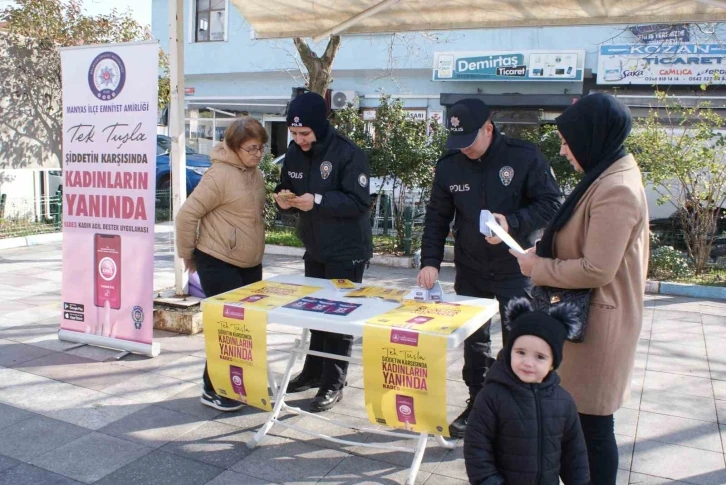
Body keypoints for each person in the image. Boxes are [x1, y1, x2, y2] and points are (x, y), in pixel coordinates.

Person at [511, 92, 648, 485]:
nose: (563, 149)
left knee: (593, 428)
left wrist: (540, 267)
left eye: (568, 141)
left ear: (592, 137)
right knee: (578, 426)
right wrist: (548, 248)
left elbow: (597, 269)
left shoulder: (616, 188)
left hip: (601, 327)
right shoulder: (605, 174)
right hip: (586, 320)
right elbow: (587, 239)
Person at [418, 98, 561, 438]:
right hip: (471, 268)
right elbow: (437, 217)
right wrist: (430, 261)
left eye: (469, 139)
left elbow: (551, 203)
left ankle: (517, 411)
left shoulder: (523, 156)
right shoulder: (450, 165)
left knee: (519, 343)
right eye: (457, 141)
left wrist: (510, 222)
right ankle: (478, 404)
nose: (463, 148)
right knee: (474, 344)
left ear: (488, 128)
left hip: (516, 268)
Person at [273, 91, 372, 412]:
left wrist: (317, 200)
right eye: (294, 133)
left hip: (347, 251)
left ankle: (334, 381)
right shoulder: (294, 153)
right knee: (314, 313)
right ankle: (313, 371)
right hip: (314, 247)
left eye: (305, 133)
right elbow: (285, 185)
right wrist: (282, 198)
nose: (299, 139)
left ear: (321, 126)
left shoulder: (347, 153)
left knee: (338, 319)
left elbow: (358, 203)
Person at [175, 117, 268, 412]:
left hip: (249, 262)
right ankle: (213, 388)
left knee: (247, 328)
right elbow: (186, 216)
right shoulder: (218, 176)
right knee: (226, 329)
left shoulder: (255, 174)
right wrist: (188, 255)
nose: (258, 154)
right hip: (218, 261)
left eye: (261, 148)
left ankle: (240, 384)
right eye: (252, 148)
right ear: (234, 147)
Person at [464, 298, 590, 485]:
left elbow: (574, 452)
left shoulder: (563, 402)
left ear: (553, 363)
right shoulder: (491, 397)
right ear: (509, 352)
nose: (528, 362)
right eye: (520, 352)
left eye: (540, 357)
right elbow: (477, 448)